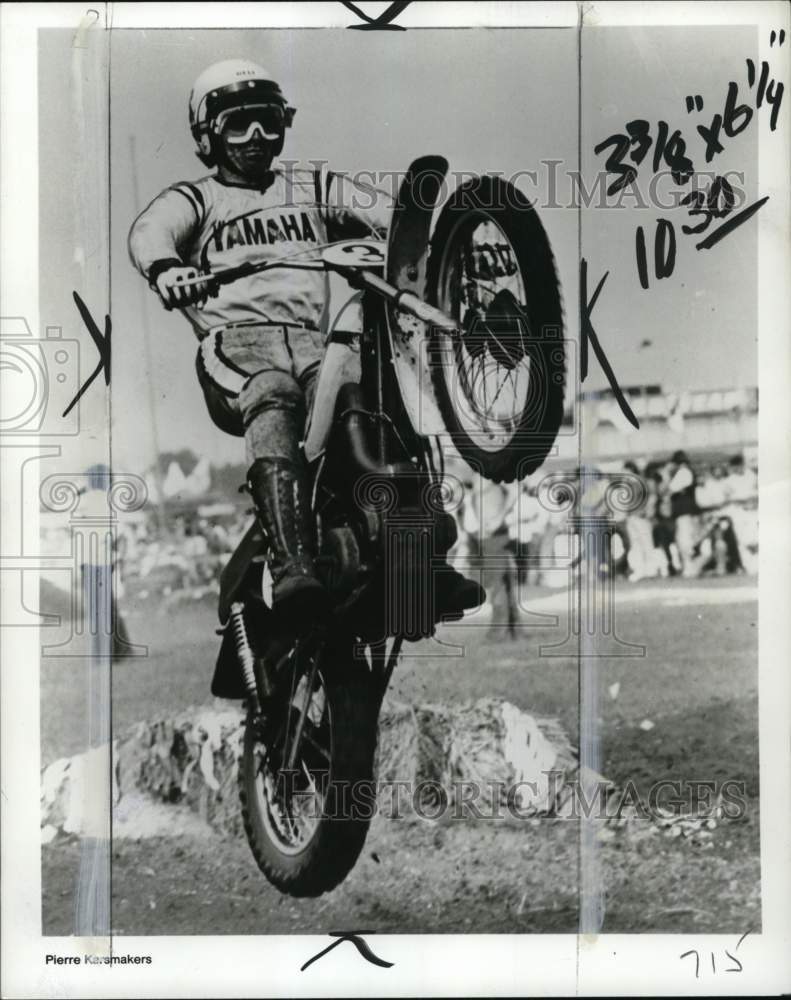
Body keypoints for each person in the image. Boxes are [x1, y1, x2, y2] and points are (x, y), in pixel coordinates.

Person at [128, 60, 397, 629]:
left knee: (366, 392)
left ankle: (412, 543)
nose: (258, 139)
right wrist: (168, 269)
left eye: (270, 124)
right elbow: (150, 232)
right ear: (208, 136)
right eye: (239, 125)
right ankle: (292, 564)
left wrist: (431, 243)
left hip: (311, 341)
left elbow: (381, 216)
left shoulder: (308, 189)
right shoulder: (198, 200)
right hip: (237, 346)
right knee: (272, 393)